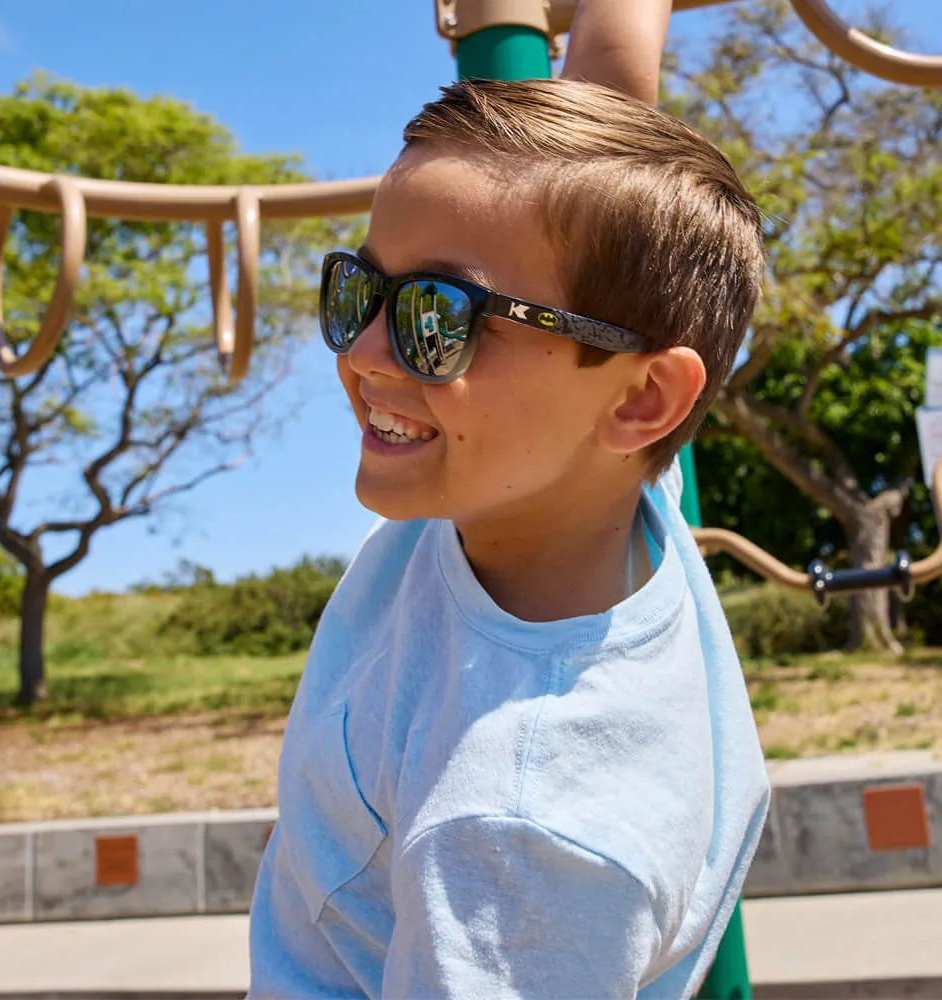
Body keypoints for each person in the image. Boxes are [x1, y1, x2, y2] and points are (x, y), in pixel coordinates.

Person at [247, 1, 769, 996]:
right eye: (359, 291)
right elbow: (595, 159)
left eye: (438, 317)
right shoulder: (597, 487)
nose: (364, 355)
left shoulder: (512, 836)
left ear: (642, 399)